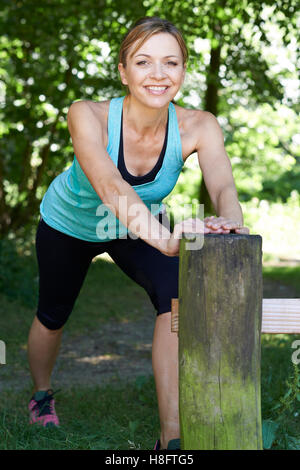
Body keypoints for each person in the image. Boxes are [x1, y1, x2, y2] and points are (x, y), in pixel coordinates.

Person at [27, 16, 249, 449]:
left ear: (184, 70)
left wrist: (230, 222)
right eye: (144, 62)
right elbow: (111, 187)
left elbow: (223, 186)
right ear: (123, 71)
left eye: (171, 62)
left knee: (175, 302)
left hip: (136, 223)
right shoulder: (86, 114)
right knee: (52, 317)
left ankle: (171, 439)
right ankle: (40, 395)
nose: (159, 74)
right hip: (69, 223)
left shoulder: (199, 125)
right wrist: (168, 241)